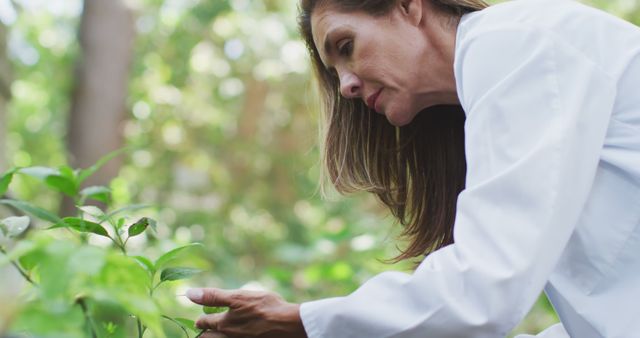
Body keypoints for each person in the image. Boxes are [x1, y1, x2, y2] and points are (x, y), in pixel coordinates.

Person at [186, 0, 640, 337]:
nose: (345, 85)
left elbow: (485, 292)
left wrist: (303, 322)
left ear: (408, 6)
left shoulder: (514, 44)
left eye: (346, 47)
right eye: (335, 71)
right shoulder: (498, 81)